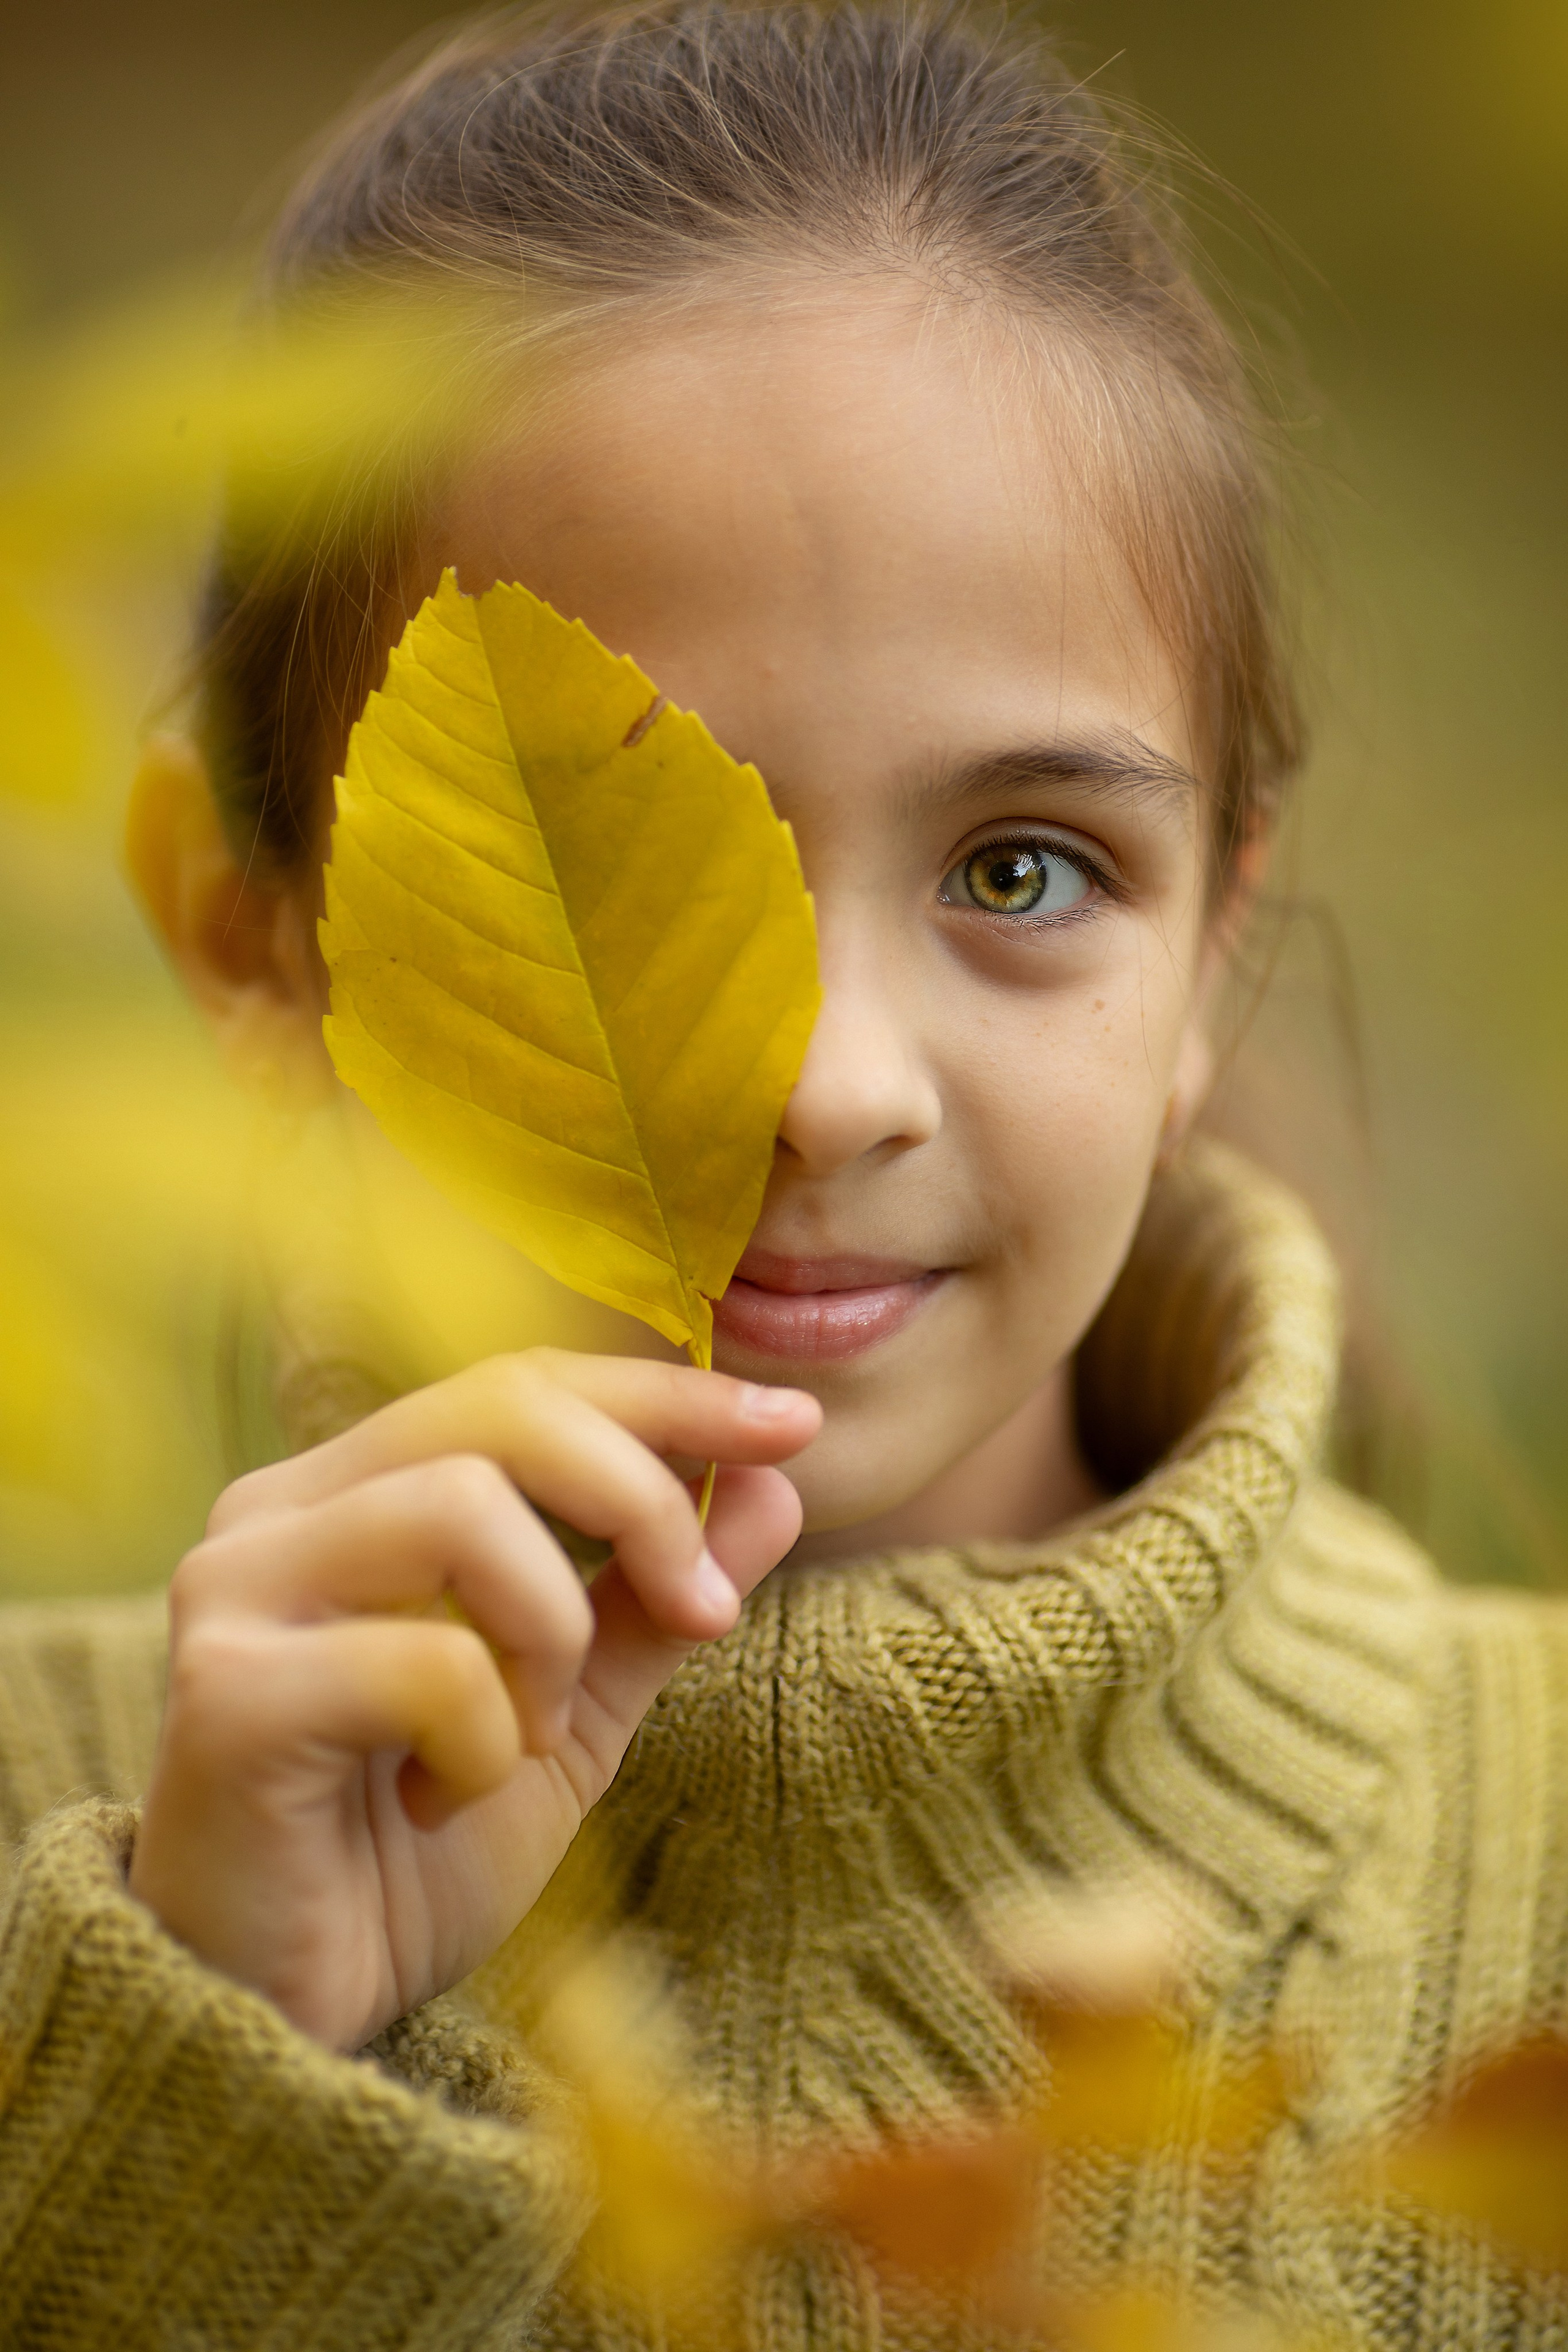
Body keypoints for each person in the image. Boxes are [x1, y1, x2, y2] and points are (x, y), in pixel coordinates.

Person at [1, 6, 1564, 2346]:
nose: (832, 1089)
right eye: (620, 882)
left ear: (1216, 935)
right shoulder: (54, 1842)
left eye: (1025, 871)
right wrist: (220, 2077)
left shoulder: (1541, 1865)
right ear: (255, 943)